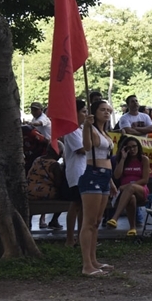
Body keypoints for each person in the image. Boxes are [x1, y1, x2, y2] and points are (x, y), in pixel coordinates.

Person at [79, 99, 116, 276]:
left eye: (108, 110)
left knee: (96, 221)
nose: (106, 112)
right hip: (93, 174)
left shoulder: (104, 132)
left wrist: (111, 182)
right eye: (102, 110)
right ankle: (86, 265)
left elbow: (107, 157)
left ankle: (93, 260)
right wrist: (86, 126)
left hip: (105, 176)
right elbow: (87, 147)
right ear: (95, 112)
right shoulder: (91, 129)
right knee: (89, 221)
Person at [106, 135, 150, 235]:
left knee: (130, 187)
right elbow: (116, 176)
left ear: (138, 146)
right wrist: (122, 159)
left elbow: (145, 180)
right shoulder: (122, 160)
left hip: (141, 190)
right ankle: (132, 228)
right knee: (131, 199)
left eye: (134, 146)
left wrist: (128, 186)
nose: (132, 149)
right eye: (129, 148)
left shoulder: (144, 159)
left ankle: (115, 218)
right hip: (126, 193)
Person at [60, 99, 87, 247]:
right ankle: (69, 238)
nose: (86, 114)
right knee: (76, 204)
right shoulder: (71, 130)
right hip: (76, 172)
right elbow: (81, 149)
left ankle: (81, 236)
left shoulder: (81, 130)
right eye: (83, 111)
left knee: (83, 205)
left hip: (84, 170)